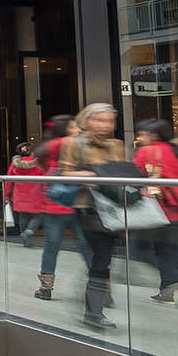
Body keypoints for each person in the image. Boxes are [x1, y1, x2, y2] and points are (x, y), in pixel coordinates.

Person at [57, 103, 129, 331]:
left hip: (116, 208)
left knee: (104, 260)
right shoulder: (73, 144)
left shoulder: (117, 145)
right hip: (88, 208)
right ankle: (94, 311)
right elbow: (65, 173)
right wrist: (96, 173)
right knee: (100, 259)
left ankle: (94, 304)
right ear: (87, 120)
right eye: (99, 120)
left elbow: (123, 173)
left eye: (109, 121)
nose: (104, 125)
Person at [132, 119, 178, 304]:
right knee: (173, 246)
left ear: (154, 135)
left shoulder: (147, 150)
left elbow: (135, 175)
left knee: (144, 250)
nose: (141, 137)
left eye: (145, 134)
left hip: (157, 207)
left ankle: (170, 285)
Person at [30, 115, 89, 301]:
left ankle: (46, 288)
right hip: (77, 202)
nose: (77, 130)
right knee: (87, 246)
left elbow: (40, 167)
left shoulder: (48, 147)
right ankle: (101, 287)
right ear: (65, 129)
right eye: (73, 127)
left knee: (51, 247)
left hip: (53, 203)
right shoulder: (71, 144)